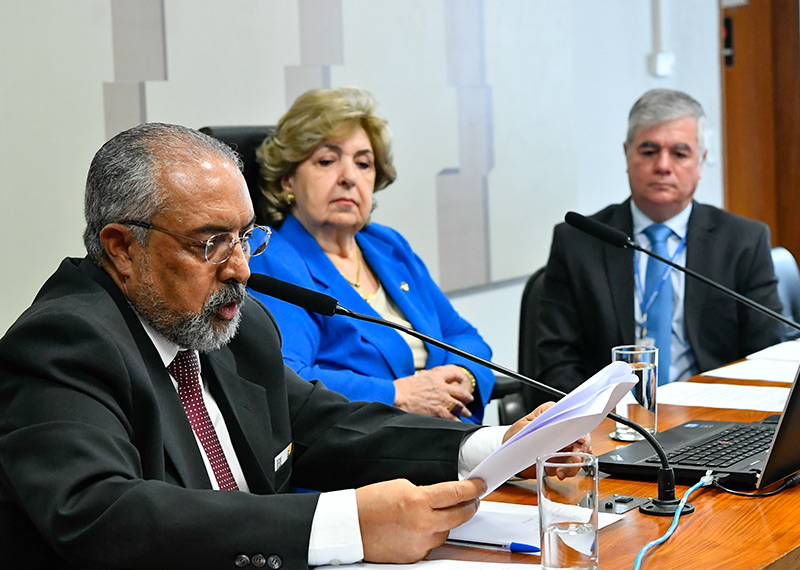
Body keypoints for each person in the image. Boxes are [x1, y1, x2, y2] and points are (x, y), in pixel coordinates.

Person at [0, 123, 586, 569]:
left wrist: (491, 447)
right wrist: (346, 523)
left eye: (245, 238)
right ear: (122, 248)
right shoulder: (64, 342)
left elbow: (320, 424)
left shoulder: (234, 324)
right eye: (210, 244)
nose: (240, 270)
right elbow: (101, 513)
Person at [249, 87, 494, 423]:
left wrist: (461, 377)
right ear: (287, 181)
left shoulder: (387, 245)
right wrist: (400, 395)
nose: (349, 177)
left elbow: (463, 336)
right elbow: (288, 377)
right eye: (327, 160)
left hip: (448, 433)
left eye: (363, 163)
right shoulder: (271, 260)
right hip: (368, 451)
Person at [529, 88, 784, 406]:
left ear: (701, 161)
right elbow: (557, 362)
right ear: (627, 155)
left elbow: (766, 354)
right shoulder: (578, 242)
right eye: (649, 152)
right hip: (611, 423)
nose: (663, 166)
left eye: (680, 153)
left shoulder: (743, 241)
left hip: (713, 418)